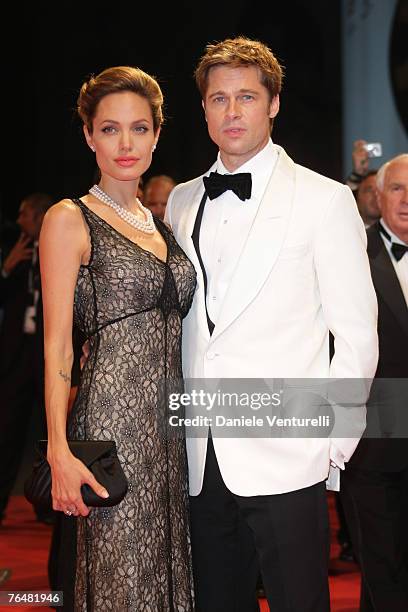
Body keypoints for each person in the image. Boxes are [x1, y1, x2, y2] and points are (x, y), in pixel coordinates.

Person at [165, 36, 378, 612]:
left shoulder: (325, 200)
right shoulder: (181, 202)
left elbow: (356, 333)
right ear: (204, 108)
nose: (232, 112)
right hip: (201, 451)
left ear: (274, 104)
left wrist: (330, 444)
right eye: (218, 99)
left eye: (247, 97)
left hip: (289, 447)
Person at [39, 66, 196, 610]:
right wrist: (59, 449)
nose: (125, 143)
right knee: (119, 584)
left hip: (171, 433)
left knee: (168, 582)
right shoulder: (69, 218)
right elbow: (58, 347)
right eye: (109, 129)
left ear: (157, 133)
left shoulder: (164, 224)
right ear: (88, 135)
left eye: (139, 128)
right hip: (111, 430)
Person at [341, 154, 408, 611]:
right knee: (384, 568)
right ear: (377, 196)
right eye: (398, 188)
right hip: (375, 437)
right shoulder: (349, 253)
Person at [0, 192, 54, 526]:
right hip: (17, 354)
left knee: (51, 430)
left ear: (38, 217)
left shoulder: (59, 246)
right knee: (7, 428)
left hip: (48, 353)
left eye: (24, 215)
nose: (19, 221)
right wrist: (7, 267)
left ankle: (48, 504)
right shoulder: (16, 252)